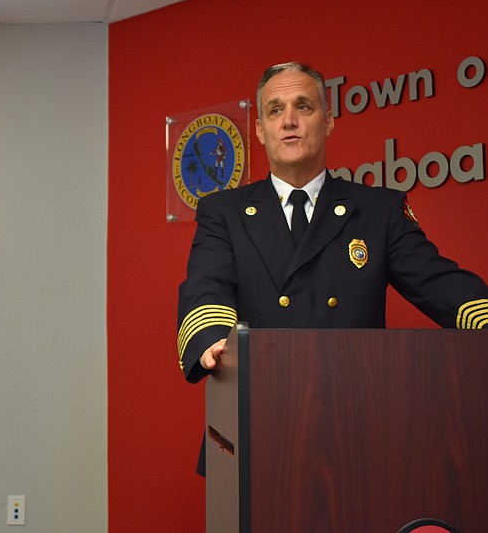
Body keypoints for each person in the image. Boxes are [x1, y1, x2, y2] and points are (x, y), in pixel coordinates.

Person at [177, 61, 488, 475]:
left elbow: (439, 282)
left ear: (328, 121)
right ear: (259, 130)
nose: (289, 121)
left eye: (303, 106)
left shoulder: (379, 210)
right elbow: (206, 283)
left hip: (355, 425)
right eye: (275, 110)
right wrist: (214, 340)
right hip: (257, 421)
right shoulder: (224, 212)